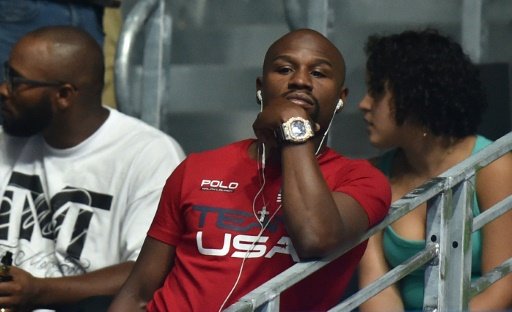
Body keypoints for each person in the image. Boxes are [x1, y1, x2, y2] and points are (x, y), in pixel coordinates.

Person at [108, 28, 391, 311]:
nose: (300, 81)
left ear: (341, 97)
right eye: (284, 69)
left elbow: (314, 237)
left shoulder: (362, 180)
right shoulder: (198, 167)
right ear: (260, 86)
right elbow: (137, 293)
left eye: (318, 73)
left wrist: (292, 126)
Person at [0, 25, 185, 310]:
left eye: (16, 81)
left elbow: (149, 272)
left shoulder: (149, 154)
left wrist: (39, 291)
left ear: (64, 95)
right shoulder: (9, 138)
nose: (4, 89)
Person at [357, 29, 512, 311]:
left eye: (377, 91)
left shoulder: (493, 166)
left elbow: (501, 286)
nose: (364, 104)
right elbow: (375, 287)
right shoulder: (374, 174)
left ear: (416, 96)